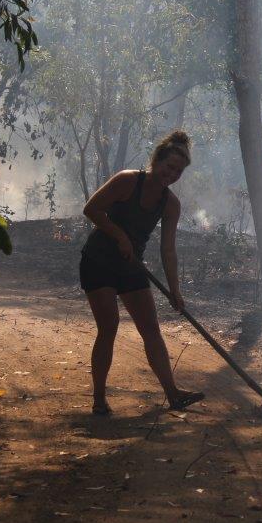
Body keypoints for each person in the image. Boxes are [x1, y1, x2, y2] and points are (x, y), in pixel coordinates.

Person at [79, 130, 204, 415]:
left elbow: (168, 250)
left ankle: (172, 393)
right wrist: (119, 234)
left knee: (151, 329)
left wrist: (175, 290)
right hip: (98, 260)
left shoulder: (171, 204)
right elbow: (91, 209)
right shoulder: (127, 181)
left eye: (178, 171)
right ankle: (99, 399)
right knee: (109, 327)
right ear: (156, 160)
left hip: (131, 265)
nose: (171, 174)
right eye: (169, 166)